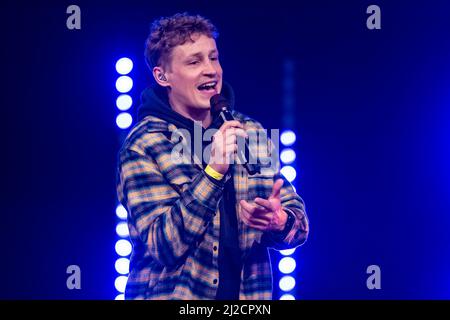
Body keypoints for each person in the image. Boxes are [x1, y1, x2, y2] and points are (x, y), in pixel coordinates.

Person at [116, 12, 309, 300]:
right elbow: (163, 246)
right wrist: (214, 171)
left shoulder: (249, 131)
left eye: (213, 58)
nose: (211, 70)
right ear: (163, 75)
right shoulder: (145, 143)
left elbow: (300, 226)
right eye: (194, 62)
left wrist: (279, 222)